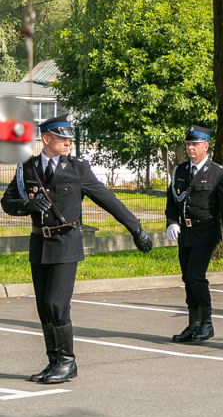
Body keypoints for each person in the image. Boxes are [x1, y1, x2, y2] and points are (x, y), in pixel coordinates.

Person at [2, 117, 153, 383]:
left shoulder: (78, 168)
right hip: (39, 244)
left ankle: (68, 362)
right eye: (62, 138)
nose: (68, 142)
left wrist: (136, 229)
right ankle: (54, 362)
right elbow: (8, 201)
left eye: (69, 138)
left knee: (56, 304)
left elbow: (109, 200)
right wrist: (27, 207)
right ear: (46, 138)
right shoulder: (28, 168)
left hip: (66, 243)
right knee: (43, 307)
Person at [165, 125, 223, 344]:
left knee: (197, 276)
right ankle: (193, 323)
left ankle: (206, 323)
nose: (191, 148)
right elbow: (172, 200)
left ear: (206, 146)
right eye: (189, 144)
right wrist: (171, 222)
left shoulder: (219, 173)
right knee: (188, 278)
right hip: (186, 232)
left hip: (206, 230)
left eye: (195, 144)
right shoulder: (179, 171)